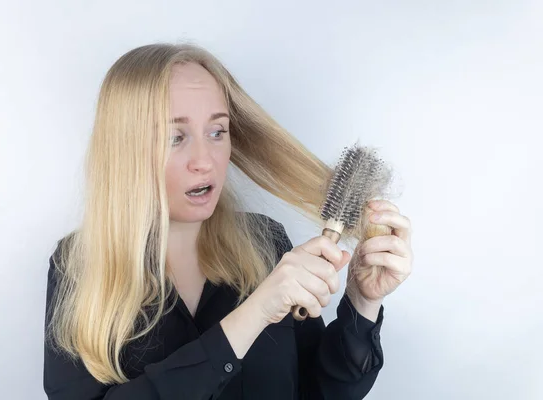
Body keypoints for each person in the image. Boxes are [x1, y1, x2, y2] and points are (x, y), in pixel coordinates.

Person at [43, 43, 414, 400]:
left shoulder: (264, 241)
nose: (204, 160)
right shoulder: (78, 265)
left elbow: (318, 390)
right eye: (176, 136)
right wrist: (255, 312)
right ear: (125, 146)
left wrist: (363, 302)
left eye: (217, 132)